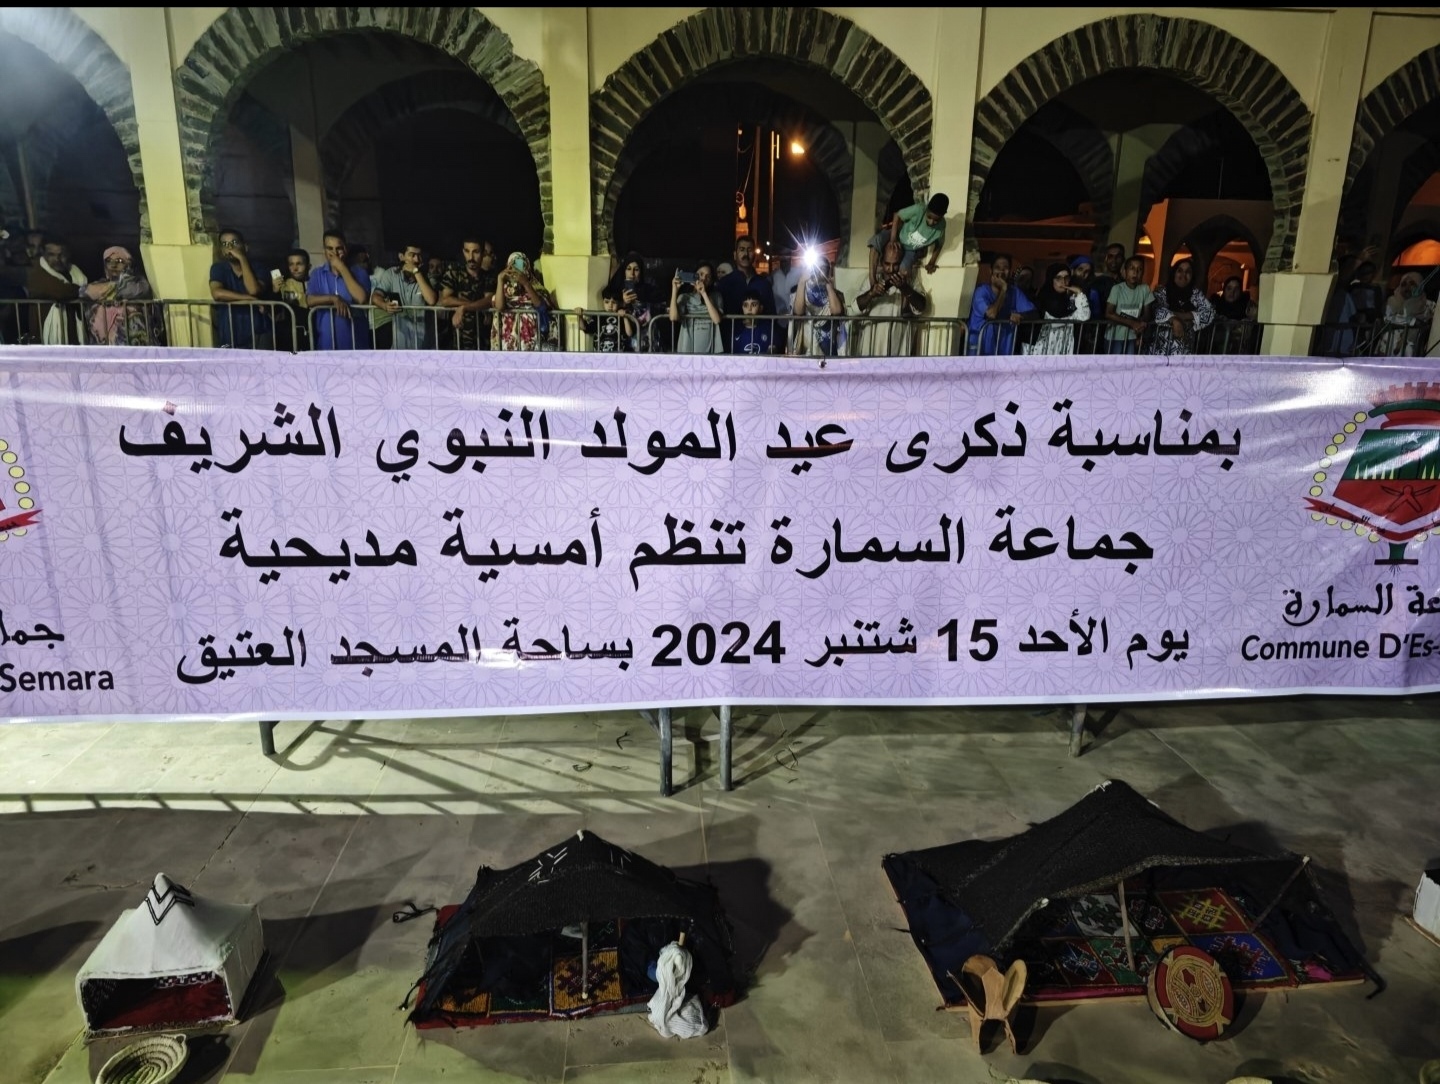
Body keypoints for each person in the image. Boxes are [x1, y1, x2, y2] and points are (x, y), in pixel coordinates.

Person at [853, 240, 925, 356]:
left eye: (896, 264)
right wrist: (871, 294)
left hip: (898, 351)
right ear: (881, 262)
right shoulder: (873, 280)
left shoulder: (910, 280)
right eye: (887, 264)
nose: (891, 269)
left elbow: (921, 307)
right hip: (870, 351)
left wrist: (904, 288)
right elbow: (855, 308)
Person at [208, 227, 272, 349]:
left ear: (245, 247)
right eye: (225, 244)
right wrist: (250, 299)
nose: (230, 247)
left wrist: (242, 258)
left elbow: (253, 290)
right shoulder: (218, 268)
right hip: (230, 330)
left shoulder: (259, 267)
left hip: (258, 330)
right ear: (221, 250)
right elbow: (217, 293)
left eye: (234, 242)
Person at [307, 230, 371, 350]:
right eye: (330, 248)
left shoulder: (359, 272)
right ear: (324, 250)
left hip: (355, 343)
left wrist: (341, 267)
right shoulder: (317, 273)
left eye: (339, 248)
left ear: (345, 249)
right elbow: (310, 300)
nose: (334, 253)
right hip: (326, 343)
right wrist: (333, 298)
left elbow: (361, 298)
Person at [84, 246, 159, 346]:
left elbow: (131, 290)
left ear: (128, 264)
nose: (113, 265)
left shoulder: (140, 283)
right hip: (104, 346)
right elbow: (83, 292)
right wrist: (114, 290)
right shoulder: (99, 282)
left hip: (135, 342)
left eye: (119, 261)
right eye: (108, 261)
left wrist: (103, 291)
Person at [370, 242, 438, 350]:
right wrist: (384, 305)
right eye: (412, 255)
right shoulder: (392, 274)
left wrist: (416, 272)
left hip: (424, 346)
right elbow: (375, 296)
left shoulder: (428, 276)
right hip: (400, 345)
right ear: (401, 257)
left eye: (419, 255)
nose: (417, 259)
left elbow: (431, 300)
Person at [24, 235, 88, 344]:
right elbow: (58, 291)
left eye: (61, 255)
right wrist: (85, 291)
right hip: (43, 334)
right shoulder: (35, 270)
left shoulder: (75, 272)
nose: (57, 259)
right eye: (51, 255)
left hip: (74, 331)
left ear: (68, 255)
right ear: (43, 254)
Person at [967, 253, 1034, 355]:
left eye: (1005, 268)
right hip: (979, 352)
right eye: (997, 268)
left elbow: (1034, 313)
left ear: (1009, 271)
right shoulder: (981, 292)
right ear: (991, 271)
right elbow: (992, 314)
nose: (1001, 271)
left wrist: (1021, 316)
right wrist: (1003, 290)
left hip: (1002, 353)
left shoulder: (1015, 292)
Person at [871, 193, 949, 277]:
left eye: (936, 220)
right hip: (898, 236)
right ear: (927, 209)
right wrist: (893, 239)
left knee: (904, 272)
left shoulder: (941, 226)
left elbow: (939, 244)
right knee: (876, 241)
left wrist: (931, 262)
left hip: (910, 250)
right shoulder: (919, 209)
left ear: (942, 216)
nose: (931, 222)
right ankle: (872, 281)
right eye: (929, 217)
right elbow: (897, 215)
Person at [440, 238, 498, 351]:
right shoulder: (454, 272)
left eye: (476, 252)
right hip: (458, 339)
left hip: (483, 340)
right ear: (463, 252)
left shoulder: (488, 276)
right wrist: (476, 306)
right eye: (467, 251)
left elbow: (489, 300)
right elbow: (446, 300)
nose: (471, 257)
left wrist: (464, 308)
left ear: (483, 253)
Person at [1149, 258, 1214, 356]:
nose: (1183, 275)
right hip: (1160, 351)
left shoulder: (1195, 294)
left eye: (1188, 272)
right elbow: (1156, 309)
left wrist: (1181, 316)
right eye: (1180, 270)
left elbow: (1210, 312)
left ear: (1192, 276)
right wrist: (1174, 320)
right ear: (1174, 273)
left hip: (1185, 352)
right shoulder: (1162, 292)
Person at [790, 253, 846, 358]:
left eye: (823, 268)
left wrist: (828, 284)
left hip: (829, 344)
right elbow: (798, 312)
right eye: (816, 267)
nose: (818, 271)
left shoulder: (836, 293)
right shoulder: (800, 290)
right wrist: (802, 281)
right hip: (807, 345)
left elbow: (837, 311)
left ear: (828, 270)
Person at [1027, 262, 1090, 354]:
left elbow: (1084, 316)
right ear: (1051, 279)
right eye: (1058, 278)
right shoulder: (1042, 299)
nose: (1063, 282)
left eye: (1066, 278)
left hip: (1064, 347)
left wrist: (1079, 293)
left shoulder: (1072, 299)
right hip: (1042, 347)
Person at [492, 250, 545, 351]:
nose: (517, 270)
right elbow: (499, 307)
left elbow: (539, 305)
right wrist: (500, 279)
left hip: (528, 337)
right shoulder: (504, 289)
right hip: (508, 338)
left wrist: (526, 284)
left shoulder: (535, 287)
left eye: (520, 265)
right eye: (513, 265)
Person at [668, 261, 723, 354]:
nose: (703, 278)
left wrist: (704, 293)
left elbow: (717, 320)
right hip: (687, 346)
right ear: (693, 275)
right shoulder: (684, 297)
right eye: (700, 274)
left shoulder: (716, 296)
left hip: (710, 346)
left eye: (708, 276)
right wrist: (675, 290)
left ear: (711, 281)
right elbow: (673, 317)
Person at [607, 251, 659, 349]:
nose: (632, 274)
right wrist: (622, 302)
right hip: (625, 339)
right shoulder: (616, 289)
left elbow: (658, 298)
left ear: (641, 272)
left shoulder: (648, 289)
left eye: (636, 269)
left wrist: (640, 295)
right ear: (624, 271)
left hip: (647, 338)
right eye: (628, 269)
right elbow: (609, 303)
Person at [717, 236, 774, 322]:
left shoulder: (764, 284)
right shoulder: (724, 284)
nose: (746, 254)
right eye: (742, 249)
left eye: (749, 250)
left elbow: (771, 315)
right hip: (731, 330)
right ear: (735, 255)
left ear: (754, 255)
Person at [1104, 256, 1154, 354]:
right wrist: (1132, 323)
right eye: (1132, 268)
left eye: (1139, 269)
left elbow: (1147, 314)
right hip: (1115, 336)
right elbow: (1109, 313)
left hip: (1133, 336)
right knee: (1115, 362)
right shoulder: (1117, 289)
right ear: (1125, 271)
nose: (1135, 272)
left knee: (1130, 362)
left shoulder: (1145, 289)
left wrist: (1141, 325)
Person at [1379, 271, 1435, 356]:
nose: (1407, 287)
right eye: (1403, 284)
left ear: (1420, 286)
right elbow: (1388, 318)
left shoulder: (1429, 305)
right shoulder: (1393, 301)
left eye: (1412, 284)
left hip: (1413, 348)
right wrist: (1412, 321)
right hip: (1390, 344)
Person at [574, 285, 637, 353]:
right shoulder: (599, 316)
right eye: (607, 302)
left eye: (614, 302)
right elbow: (584, 327)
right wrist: (579, 316)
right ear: (603, 302)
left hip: (619, 354)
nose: (610, 305)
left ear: (619, 303)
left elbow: (629, 333)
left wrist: (625, 317)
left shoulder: (622, 316)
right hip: (600, 354)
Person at [1209, 275, 1259, 353]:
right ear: (1224, 290)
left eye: (1236, 289)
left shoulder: (1246, 311)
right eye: (1229, 288)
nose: (1232, 292)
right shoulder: (1215, 307)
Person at [274, 249, 311, 351]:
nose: (295, 268)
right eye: (291, 264)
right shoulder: (284, 284)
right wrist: (275, 291)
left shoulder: (314, 282)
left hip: (311, 332)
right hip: (288, 334)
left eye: (299, 264)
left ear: (309, 266)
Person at [1068, 254, 1104, 351]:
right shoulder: (1065, 289)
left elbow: (1096, 316)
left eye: (1087, 271)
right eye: (1080, 269)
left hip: (1084, 336)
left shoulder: (1092, 293)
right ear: (1073, 271)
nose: (1083, 274)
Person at [731, 290, 776, 355]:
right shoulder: (735, 329)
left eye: (754, 305)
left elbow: (773, 351)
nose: (749, 309)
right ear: (742, 308)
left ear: (760, 308)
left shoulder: (768, 328)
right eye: (745, 305)